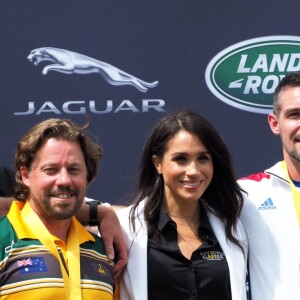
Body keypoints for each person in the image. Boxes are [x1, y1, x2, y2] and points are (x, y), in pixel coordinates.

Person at [117, 110, 249, 300]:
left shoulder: (235, 225)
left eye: (203, 158)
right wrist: (100, 211)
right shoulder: (124, 229)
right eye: (181, 159)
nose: (193, 170)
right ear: (158, 164)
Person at [0, 118, 119, 299]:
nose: (64, 180)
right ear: (25, 175)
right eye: (51, 170)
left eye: (73, 169)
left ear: (88, 175)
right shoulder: (3, 241)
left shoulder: (103, 251)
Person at [238, 72, 300, 300]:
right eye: (295, 115)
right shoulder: (246, 194)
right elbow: (169, 211)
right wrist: (116, 216)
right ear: (275, 123)